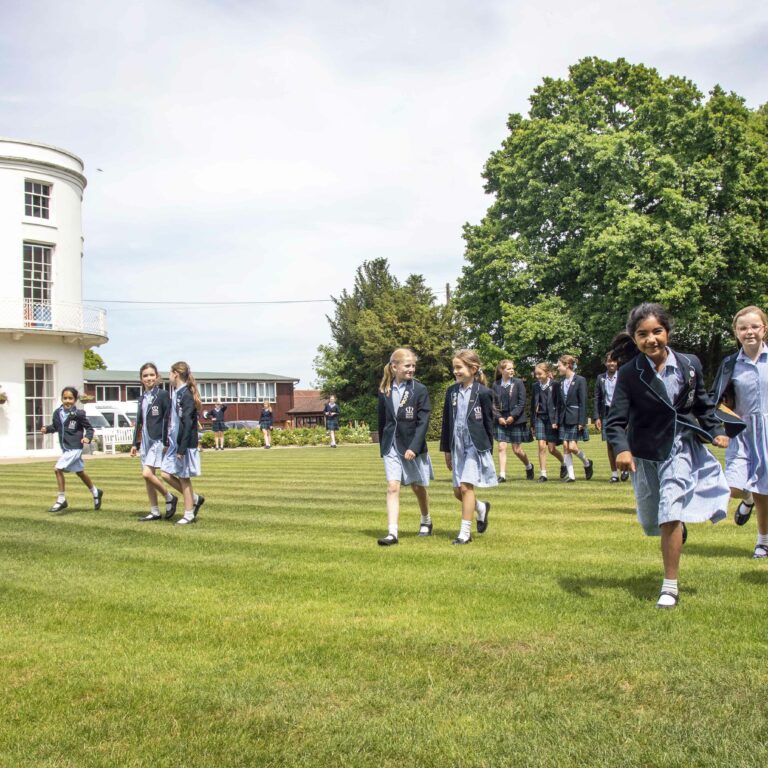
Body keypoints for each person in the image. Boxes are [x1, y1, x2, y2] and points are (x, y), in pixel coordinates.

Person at [607, 302, 732, 608]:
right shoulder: (629, 373)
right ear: (634, 338)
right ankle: (676, 527)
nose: (651, 339)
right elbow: (616, 420)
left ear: (668, 332)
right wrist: (622, 449)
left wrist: (715, 428)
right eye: (643, 334)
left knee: (670, 512)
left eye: (657, 331)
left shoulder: (690, 364)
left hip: (680, 446)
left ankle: (670, 586)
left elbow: (702, 403)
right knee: (652, 520)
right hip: (646, 451)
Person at [711, 305, 768, 558]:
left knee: (764, 490)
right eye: (743, 328)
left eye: (755, 326)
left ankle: (762, 542)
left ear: (764, 329)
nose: (749, 332)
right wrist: (721, 425)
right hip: (742, 433)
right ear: (736, 332)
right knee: (733, 486)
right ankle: (747, 499)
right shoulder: (730, 364)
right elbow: (716, 399)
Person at [376, 347, 433, 546]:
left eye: (413, 366)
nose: (411, 369)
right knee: (393, 486)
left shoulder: (419, 390)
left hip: (411, 446)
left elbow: (423, 421)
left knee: (417, 486)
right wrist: (383, 447)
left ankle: (426, 519)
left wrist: (414, 447)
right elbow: (383, 421)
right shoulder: (385, 390)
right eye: (407, 366)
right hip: (391, 445)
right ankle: (392, 533)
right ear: (394, 367)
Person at [440, 349, 496, 545]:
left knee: (465, 488)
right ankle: (481, 507)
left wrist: (488, 449)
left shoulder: (484, 393)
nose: (455, 371)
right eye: (454, 368)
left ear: (473, 369)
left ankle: (464, 533)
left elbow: (489, 423)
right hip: (456, 445)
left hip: (475, 446)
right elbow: (446, 423)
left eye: (459, 367)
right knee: (458, 491)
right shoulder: (451, 392)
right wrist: (446, 450)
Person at [40, 386, 103, 513]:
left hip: (75, 448)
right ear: (61, 399)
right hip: (66, 448)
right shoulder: (57, 413)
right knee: (80, 472)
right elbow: (56, 427)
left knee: (58, 469)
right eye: (65, 398)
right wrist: (47, 429)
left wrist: (87, 438)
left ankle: (61, 499)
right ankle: (96, 491)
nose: (67, 401)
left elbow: (89, 429)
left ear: (75, 400)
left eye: (70, 398)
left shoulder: (79, 414)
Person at [130, 363, 177, 522]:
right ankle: (154, 511)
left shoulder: (163, 395)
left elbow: (167, 419)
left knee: (147, 473)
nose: (148, 378)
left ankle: (169, 496)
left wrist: (165, 441)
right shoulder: (142, 398)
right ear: (141, 379)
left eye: (151, 375)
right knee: (147, 478)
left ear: (156, 377)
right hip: (145, 441)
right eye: (145, 376)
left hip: (157, 440)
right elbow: (139, 421)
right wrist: (134, 443)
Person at [160, 362, 205, 526]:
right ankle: (194, 499)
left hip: (183, 444)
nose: (168, 376)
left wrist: (182, 448)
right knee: (165, 473)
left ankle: (188, 514)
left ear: (175, 374)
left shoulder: (185, 394)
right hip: (174, 443)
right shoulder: (177, 393)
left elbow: (187, 424)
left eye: (169, 373)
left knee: (184, 478)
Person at [491, 359, 534, 481]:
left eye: (512, 368)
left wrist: (512, 416)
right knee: (501, 446)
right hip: (501, 420)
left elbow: (521, 403)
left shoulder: (518, 383)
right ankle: (502, 475)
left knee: (517, 450)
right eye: (509, 369)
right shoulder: (496, 385)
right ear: (501, 370)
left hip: (516, 420)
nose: (512, 371)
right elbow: (493, 404)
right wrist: (499, 417)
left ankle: (529, 466)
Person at [554, 355, 594, 483]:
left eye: (559, 365)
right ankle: (571, 476)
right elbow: (559, 404)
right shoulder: (560, 383)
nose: (558, 368)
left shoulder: (580, 380)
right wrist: (556, 420)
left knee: (572, 447)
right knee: (565, 446)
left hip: (575, 417)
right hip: (563, 418)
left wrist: (582, 421)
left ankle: (587, 463)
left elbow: (583, 402)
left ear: (567, 365)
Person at [594, 353, 628, 483]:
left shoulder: (623, 376)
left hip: (621, 411)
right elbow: (597, 398)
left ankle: (625, 469)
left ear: (617, 362)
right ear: (605, 363)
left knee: (624, 441)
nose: (611, 364)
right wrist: (597, 416)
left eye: (613, 361)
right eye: (609, 362)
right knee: (609, 444)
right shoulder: (600, 378)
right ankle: (614, 474)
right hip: (607, 412)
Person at [531, 362, 566, 482]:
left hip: (552, 419)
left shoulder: (556, 385)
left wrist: (556, 420)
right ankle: (543, 474)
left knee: (551, 449)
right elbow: (533, 405)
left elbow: (558, 404)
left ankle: (563, 463)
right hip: (540, 417)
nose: (537, 376)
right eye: (536, 374)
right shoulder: (535, 386)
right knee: (541, 446)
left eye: (540, 374)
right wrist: (532, 423)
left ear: (547, 373)